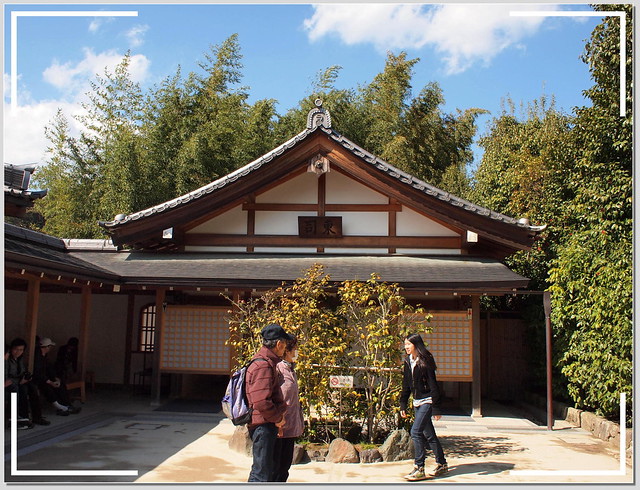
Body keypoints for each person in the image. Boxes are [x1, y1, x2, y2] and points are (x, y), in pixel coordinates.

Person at [244, 323, 291, 482]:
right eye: (285, 344)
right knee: (261, 473)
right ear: (279, 344)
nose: (285, 349)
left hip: (264, 423)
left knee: (265, 470)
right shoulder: (263, 365)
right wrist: (278, 418)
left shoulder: (265, 362)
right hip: (263, 425)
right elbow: (261, 401)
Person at [400, 333, 448, 481]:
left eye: (408, 344)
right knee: (429, 434)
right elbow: (406, 384)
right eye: (405, 344)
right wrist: (403, 403)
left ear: (416, 344)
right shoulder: (408, 361)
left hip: (427, 401)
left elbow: (434, 384)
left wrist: (436, 408)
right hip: (417, 401)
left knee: (415, 432)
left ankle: (419, 467)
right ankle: (442, 463)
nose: (406, 347)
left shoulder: (426, 359)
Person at [272, 335, 304, 482]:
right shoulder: (279, 369)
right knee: (276, 469)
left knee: (284, 468)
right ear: (287, 350)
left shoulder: (290, 369)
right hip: (280, 427)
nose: (296, 352)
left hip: (290, 427)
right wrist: (278, 422)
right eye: (295, 349)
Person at [4, 338, 49, 427]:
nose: (18, 352)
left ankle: (36, 416)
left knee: (32, 387)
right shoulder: (7, 360)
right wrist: (19, 381)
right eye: (16, 349)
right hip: (11, 384)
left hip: (17, 382)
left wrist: (26, 376)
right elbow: (6, 378)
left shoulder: (19, 359)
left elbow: (22, 372)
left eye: (21, 350)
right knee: (21, 389)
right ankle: (21, 417)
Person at [33, 337, 81, 416]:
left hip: (46, 377)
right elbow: (38, 372)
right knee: (47, 387)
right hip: (39, 379)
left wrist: (55, 378)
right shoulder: (37, 356)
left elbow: (49, 368)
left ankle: (67, 404)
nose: (50, 348)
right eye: (50, 346)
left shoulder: (45, 356)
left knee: (61, 384)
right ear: (47, 347)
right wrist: (50, 381)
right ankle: (60, 407)